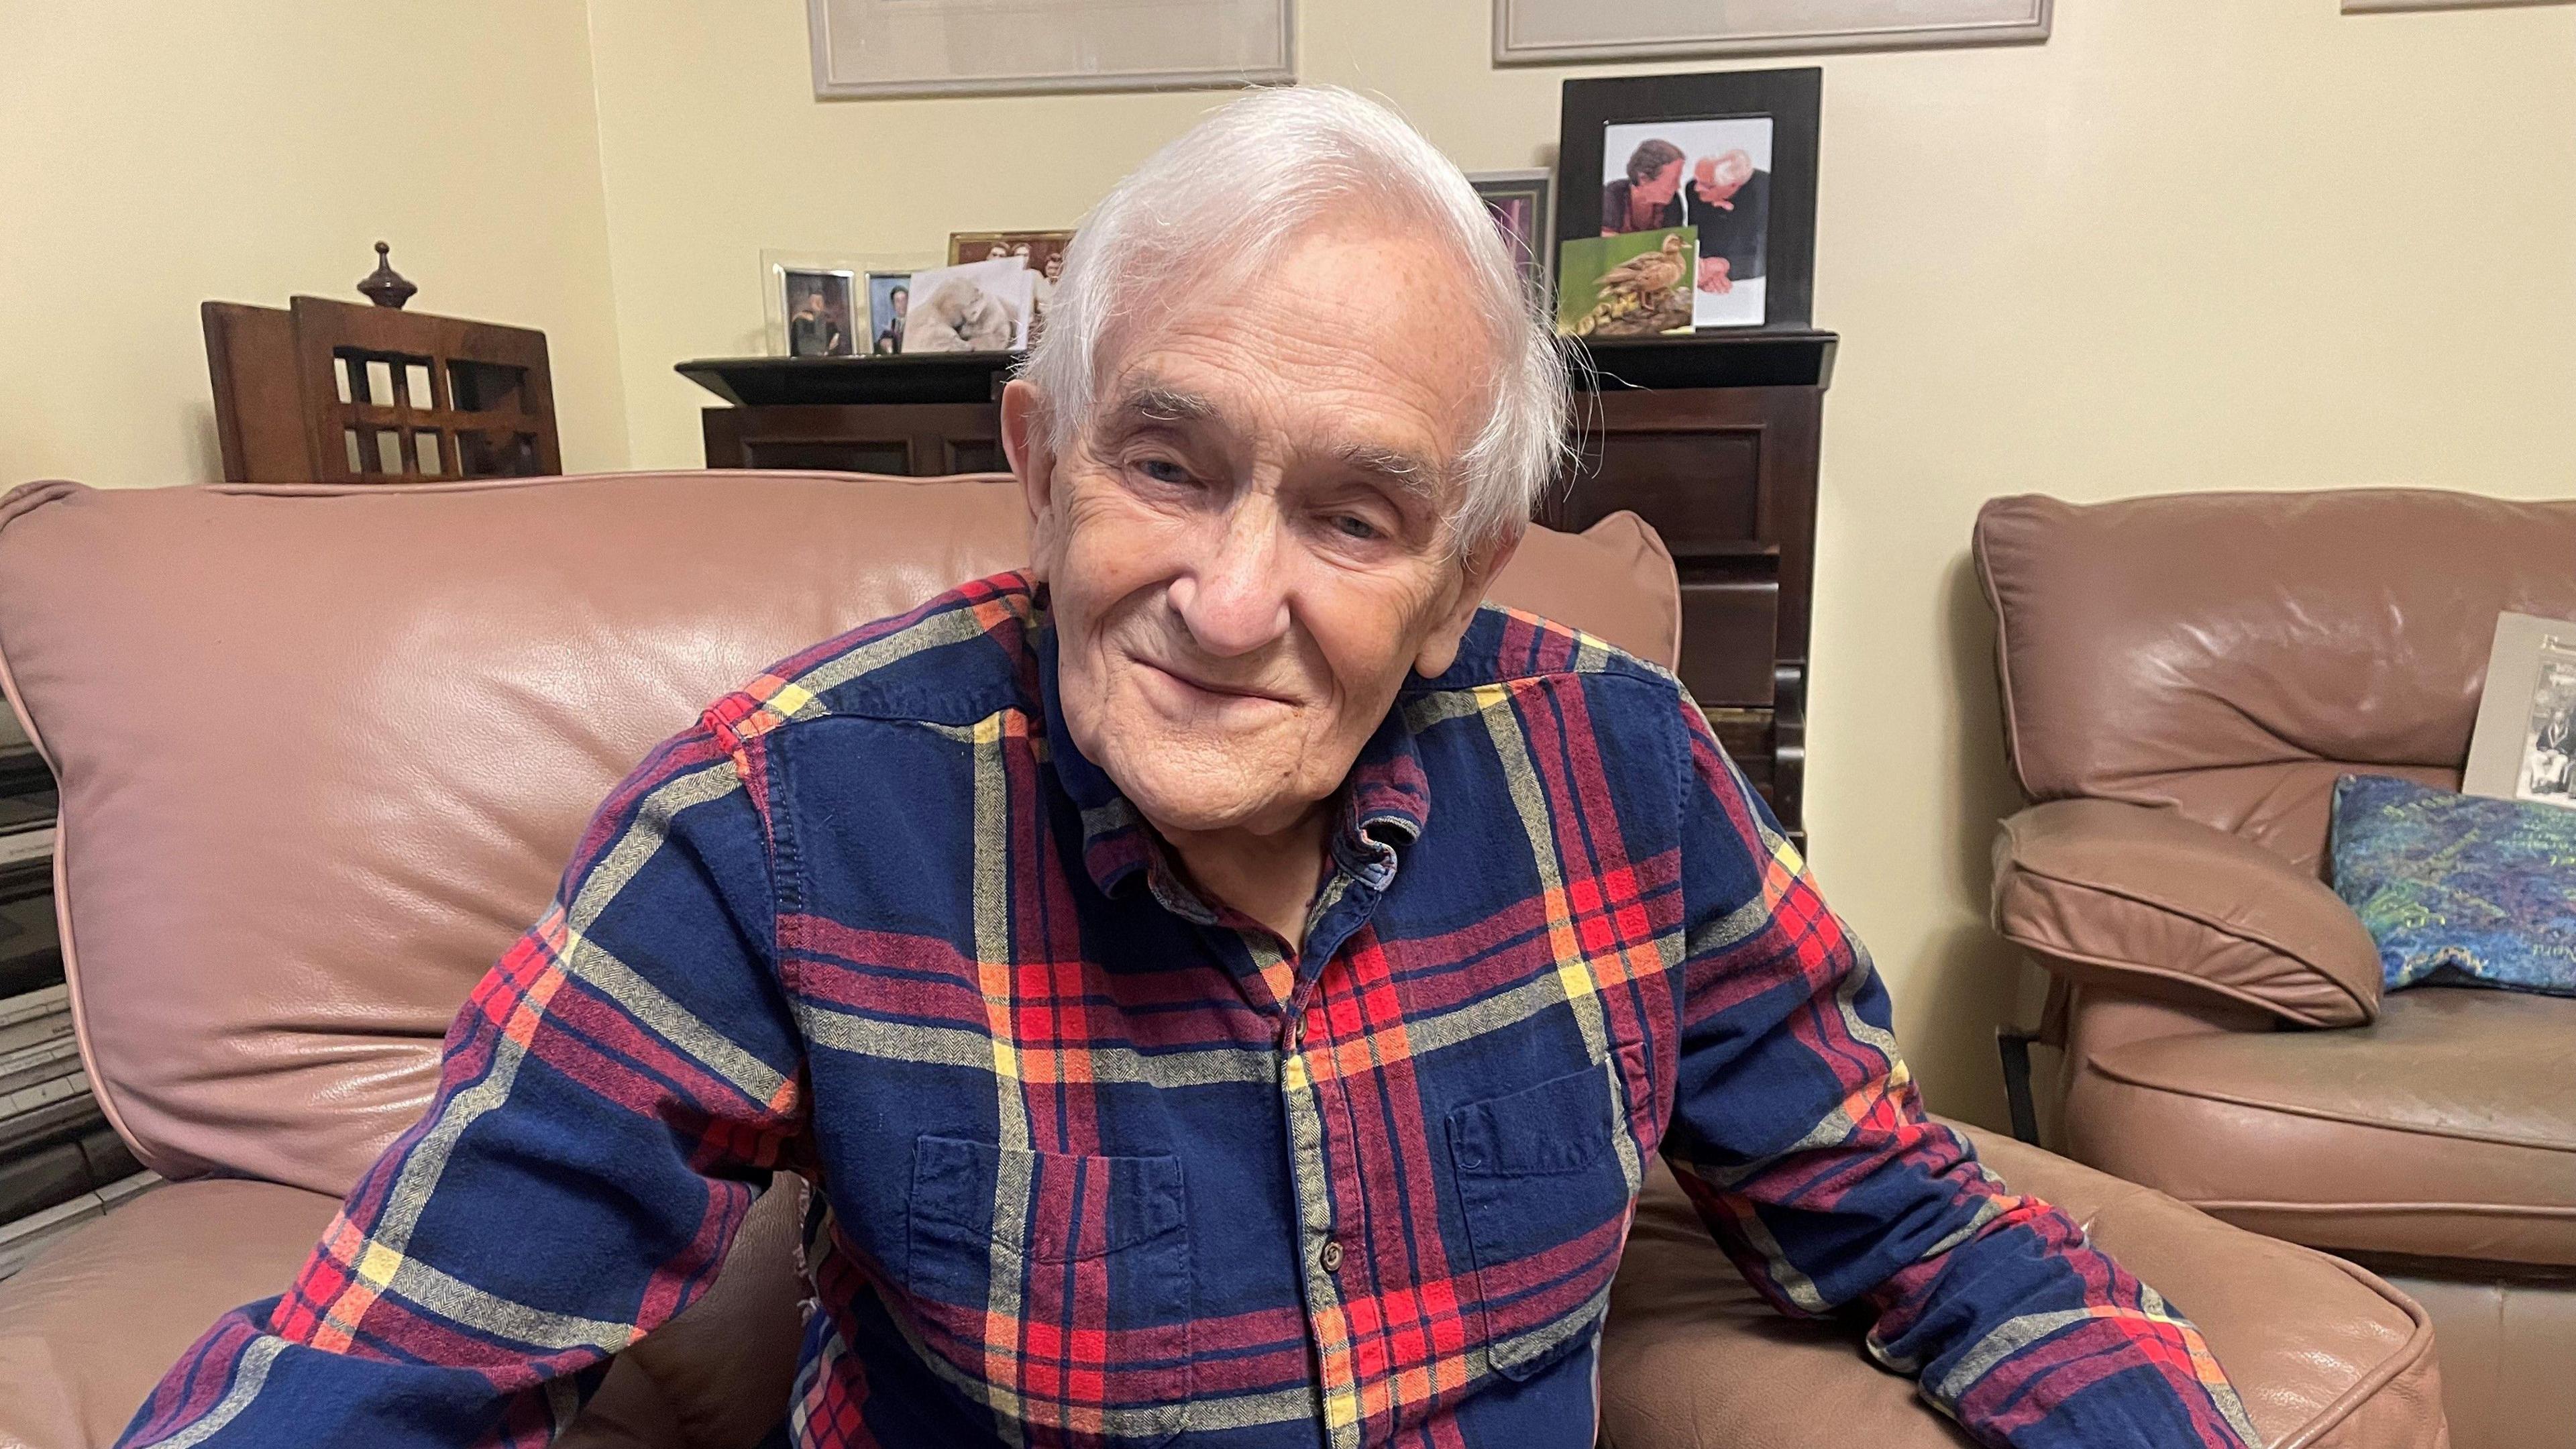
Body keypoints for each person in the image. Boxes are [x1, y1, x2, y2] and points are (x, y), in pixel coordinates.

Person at [118, 86, 2257, 1449]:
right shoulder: (772, 825)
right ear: (1041, 465)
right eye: (1166, 461)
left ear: (1453, 577)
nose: (1227, 604)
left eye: (1351, 514)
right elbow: (389, 1354)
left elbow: (1901, 1215)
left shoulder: (1623, 776)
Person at [1684, 148, 1769, 297]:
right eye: (1697, 179)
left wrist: (1725, 266)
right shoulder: (1693, 190)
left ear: (1733, 185)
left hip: (1748, 289)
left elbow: (1768, 256)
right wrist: (1703, 268)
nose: (1697, 188)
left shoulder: (1767, 195)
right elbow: (1700, 239)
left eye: (1707, 185)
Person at [1601, 137, 1684, 235]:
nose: (1678, 187)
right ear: (1644, 179)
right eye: (1672, 180)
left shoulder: (1673, 202)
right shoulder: (1611, 196)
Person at [873, 283, 907, 355]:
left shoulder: (916, 322)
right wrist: (883, 344)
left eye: (904, 300)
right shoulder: (890, 327)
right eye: (898, 301)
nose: (902, 304)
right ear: (894, 305)